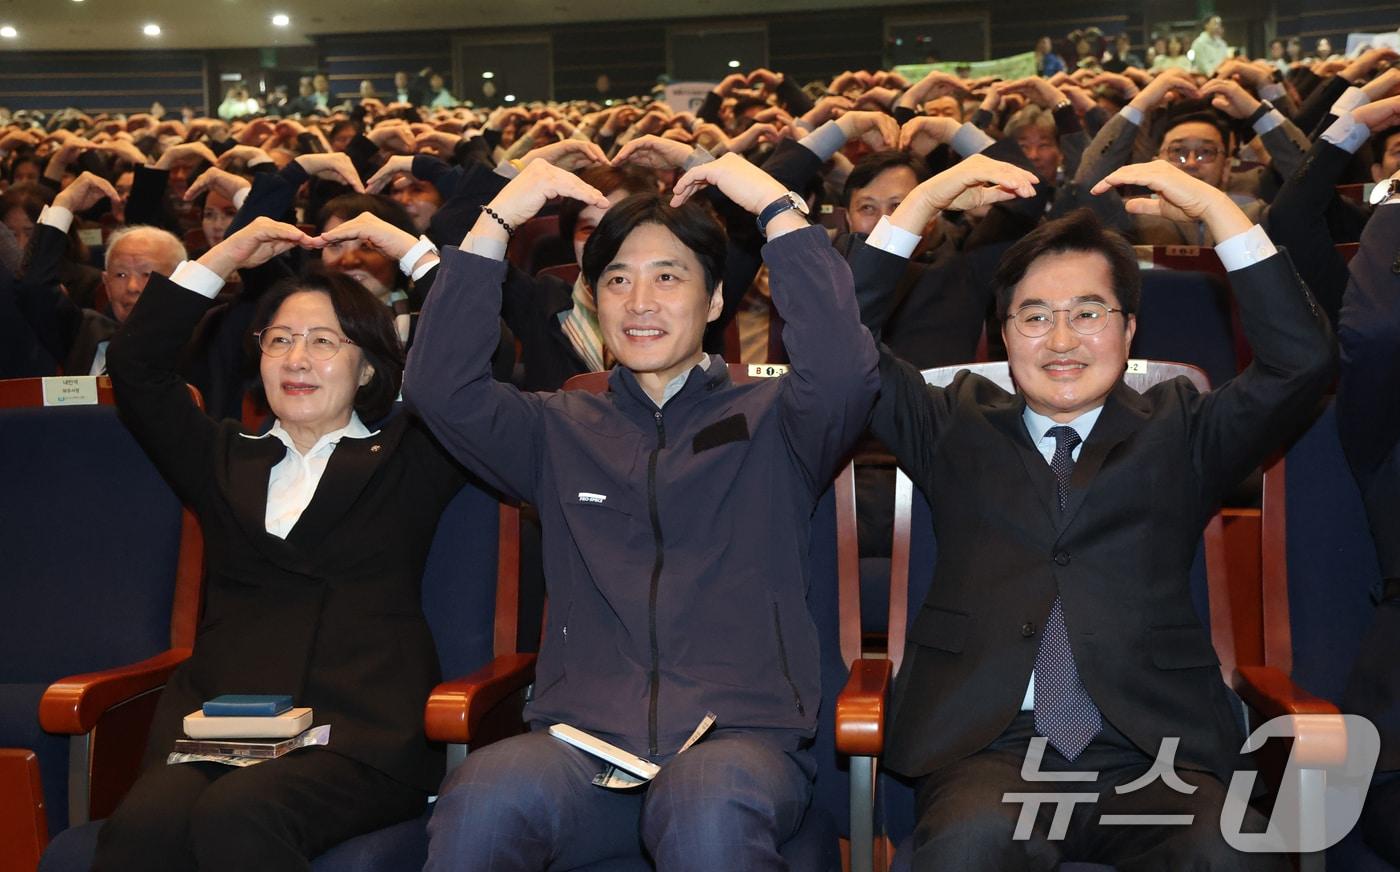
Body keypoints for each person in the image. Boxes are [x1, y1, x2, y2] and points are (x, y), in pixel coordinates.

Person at [405, 154, 878, 870]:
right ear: (592, 300)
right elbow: (440, 387)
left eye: (668, 276)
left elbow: (845, 370)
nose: (641, 300)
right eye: (617, 280)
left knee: (704, 806)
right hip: (584, 748)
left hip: (738, 746)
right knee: (481, 797)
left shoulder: (775, 418)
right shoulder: (558, 427)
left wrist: (775, 204)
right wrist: (498, 217)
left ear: (715, 301)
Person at [871, 158, 1333, 870]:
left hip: (1154, 753)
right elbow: (837, 351)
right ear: (1001, 332)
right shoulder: (950, 424)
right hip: (992, 753)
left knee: (1229, 853)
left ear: (1128, 328)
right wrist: (923, 203)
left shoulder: (1181, 428)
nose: (1061, 342)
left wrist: (1218, 211)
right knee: (967, 847)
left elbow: (1301, 362)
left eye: (1088, 314)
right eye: (1035, 316)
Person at [95, 215, 470, 871]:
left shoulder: (406, 457)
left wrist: (412, 252)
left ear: (366, 370)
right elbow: (136, 366)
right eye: (281, 340)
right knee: (141, 828)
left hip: (357, 736)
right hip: (224, 732)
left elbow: (480, 361)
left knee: (240, 815)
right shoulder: (220, 458)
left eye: (324, 342)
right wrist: (227, 254)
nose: (297, 359)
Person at [14, 172, 185, 375]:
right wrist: (64, 205)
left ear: (180, 281)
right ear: (105, 282)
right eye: (120, 275)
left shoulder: (201, 341)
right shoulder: (85, 332)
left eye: (147, 274)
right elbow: (34, 288)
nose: (132, 287)